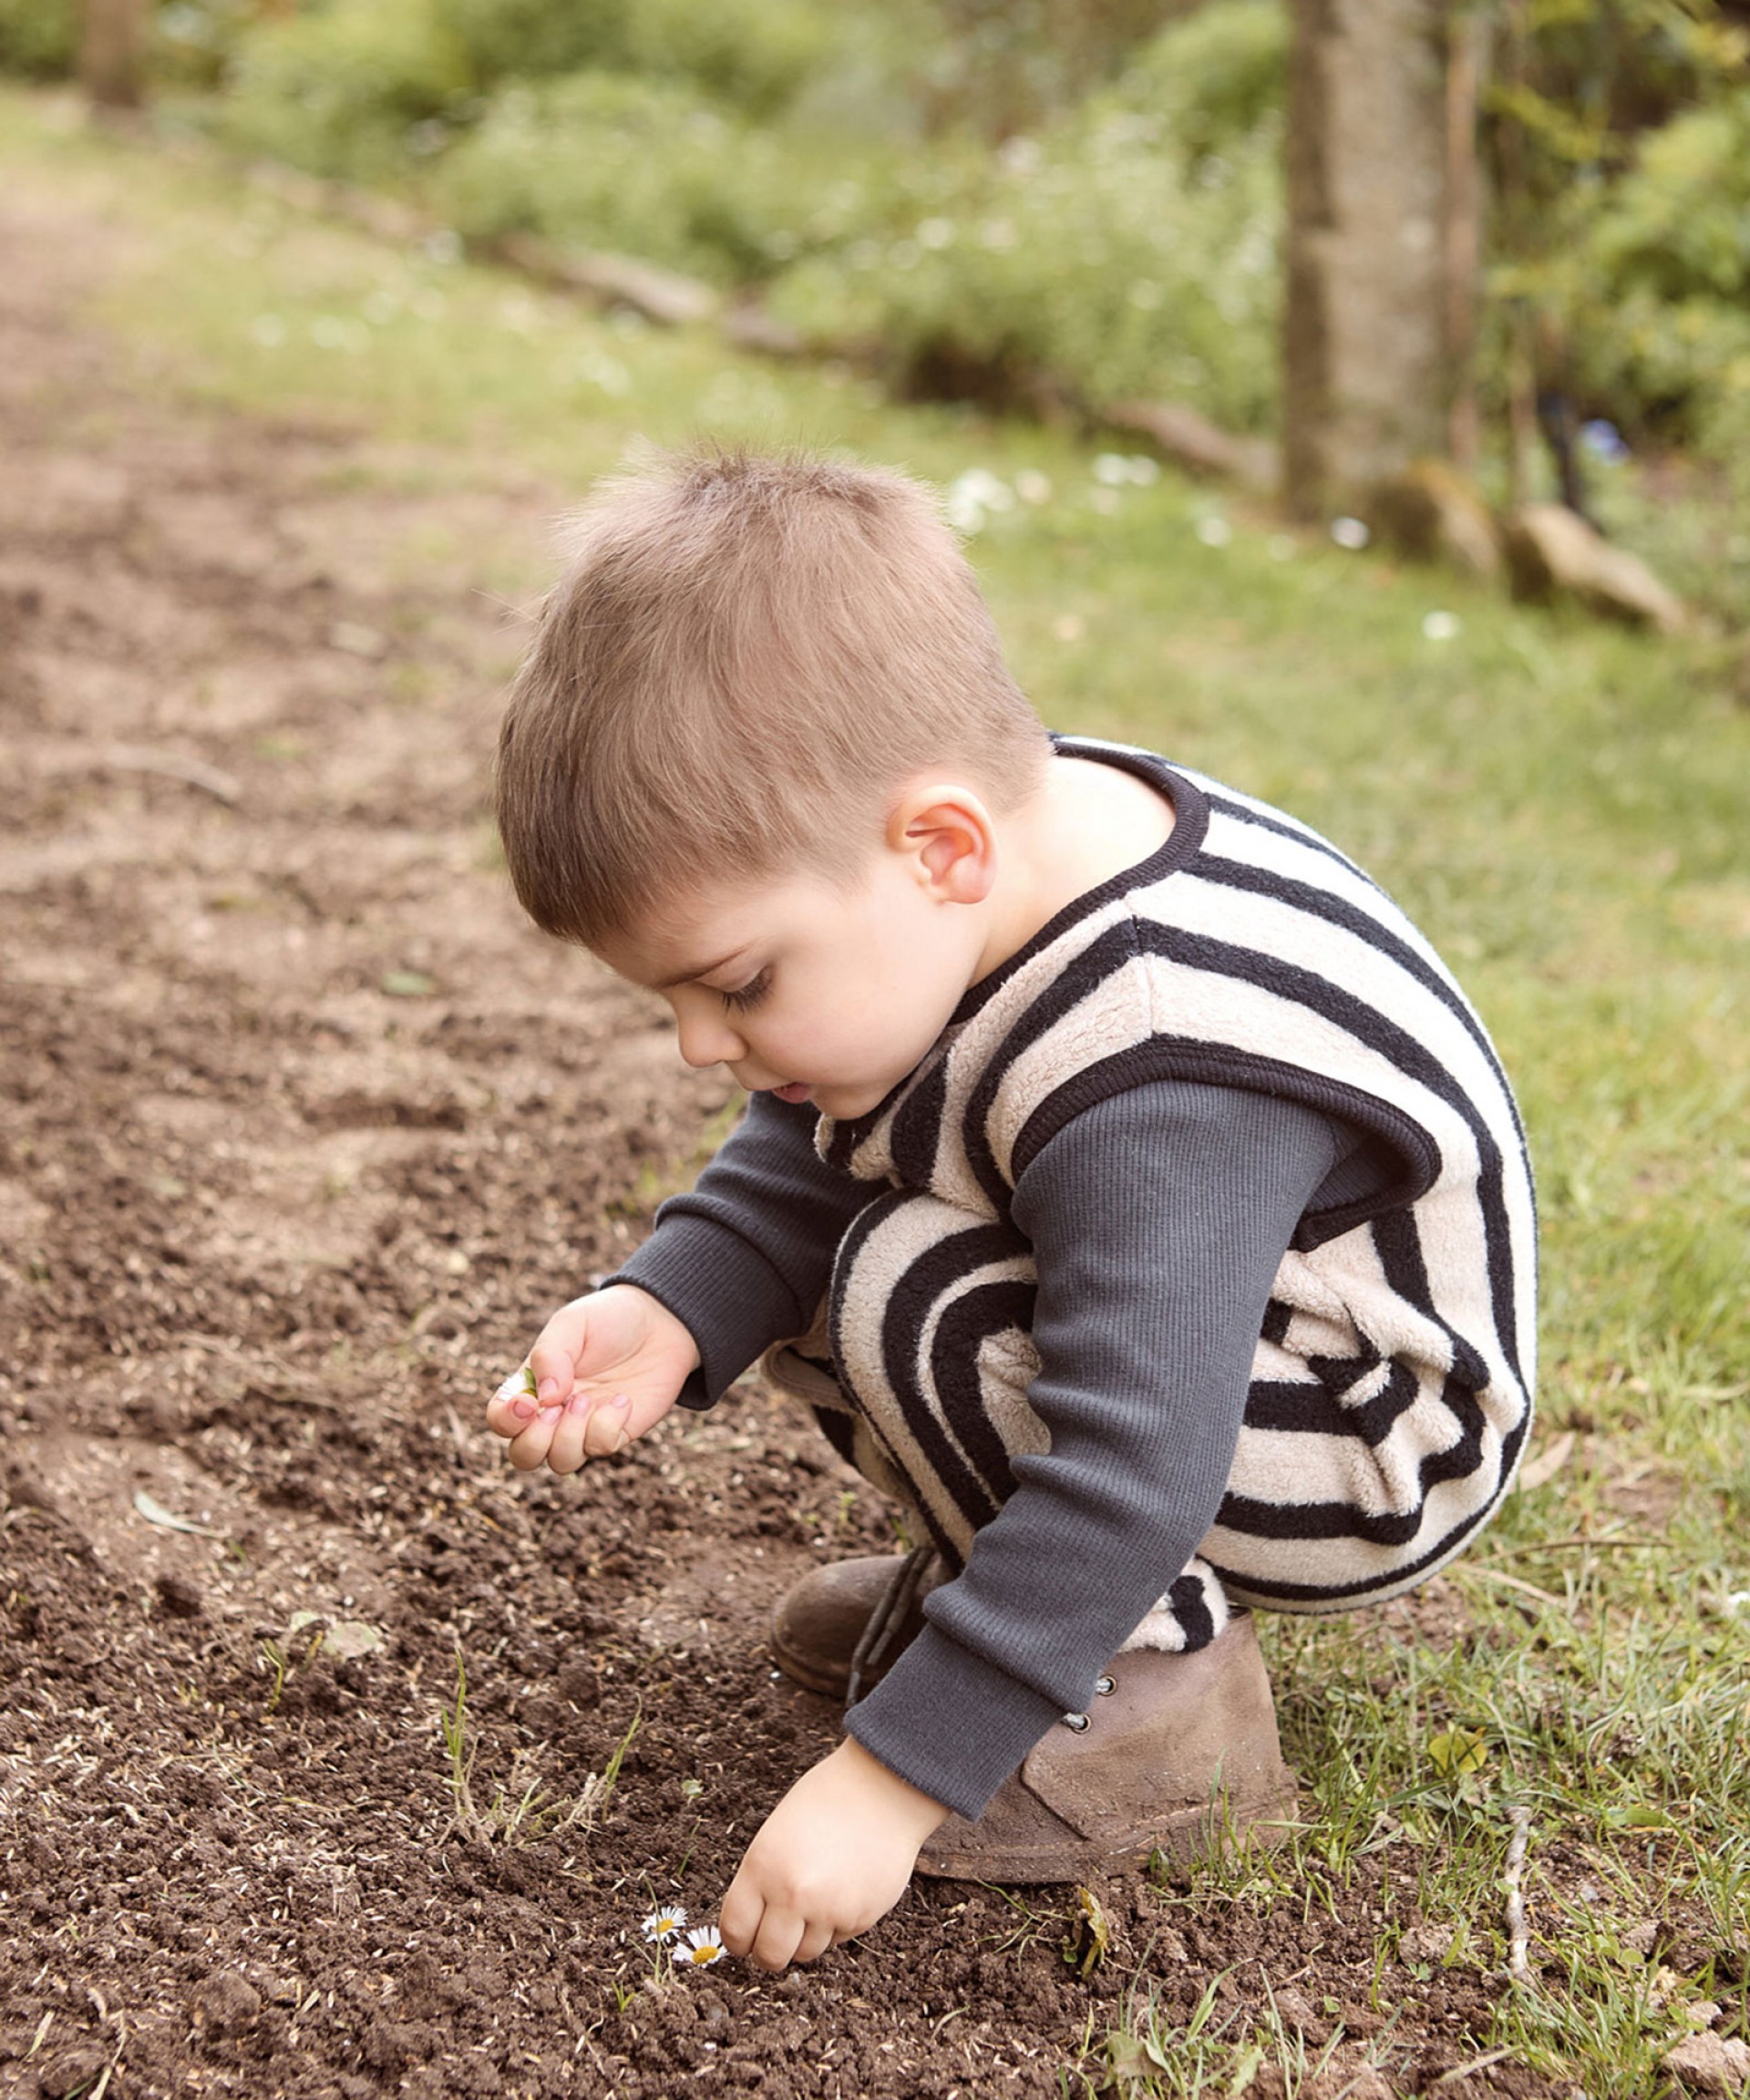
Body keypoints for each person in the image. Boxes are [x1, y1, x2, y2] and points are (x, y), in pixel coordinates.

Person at [482, 445, 1537, 1973]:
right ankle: (1017, 1610)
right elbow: (836, 1124)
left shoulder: (1158, 1060)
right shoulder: (985, 857)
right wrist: (674, 1301)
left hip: (1373, 1432)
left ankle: (1149, 1713)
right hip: (1220, 1350)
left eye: (736, 983)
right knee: (854, 1248)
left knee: (908, 1286)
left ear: (940, 847)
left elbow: (1134, 1453)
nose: (703, 1044)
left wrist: (891, 1781)